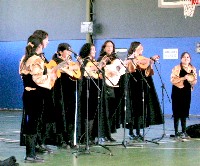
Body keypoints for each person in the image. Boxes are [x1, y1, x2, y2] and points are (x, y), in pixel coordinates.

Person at [19, 34, 57, 162]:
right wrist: (50, 77)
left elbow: (24, 76)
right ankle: (30, 155)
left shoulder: (25, 58)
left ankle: (31, 153)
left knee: (32, 122)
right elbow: (38, 79)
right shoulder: (37, 59)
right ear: (40, 45)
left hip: (28, 94)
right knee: (33, 123)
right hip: (36, 95)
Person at [122, 41, 163, 141]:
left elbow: (147, 72)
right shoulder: (129, 58)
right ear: (134, 48)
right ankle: (131, 132)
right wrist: (134, 59)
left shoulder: (143, 58)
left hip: (141, 85)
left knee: (140, 109)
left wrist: (151, 62)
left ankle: (138, 131)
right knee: (133, 109)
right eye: (140, 48)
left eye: (142, 48)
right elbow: (128, 69)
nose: (142, 49)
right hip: (132, 85)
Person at [51, 43, 81, 148]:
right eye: (67, 50)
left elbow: (76, 73)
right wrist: (65, 66)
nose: (69, 52)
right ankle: (60, 140)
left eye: (70, 51)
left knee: (71, 115)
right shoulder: (54, 62)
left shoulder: (72, 63)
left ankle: (70, 139)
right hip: (60, 92)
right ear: (60, 52)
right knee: (61, 115)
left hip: (70, 92)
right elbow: (54, 71)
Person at [97, 40, 122, 143]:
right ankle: (102, 134)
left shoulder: (116, 59)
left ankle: (109, 133)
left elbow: (120, 70)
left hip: (113, 85)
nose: (109, 48)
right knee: (104, 111)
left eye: (111, 47)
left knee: (111, 111)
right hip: (103, 85)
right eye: (107, 46)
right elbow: (98, 71)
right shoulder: (100, 59)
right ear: (104, 48)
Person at [77, 43, 100, 145]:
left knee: (92, 113)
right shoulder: (86, 61)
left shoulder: (93, 61)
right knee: (88, 113)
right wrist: (101, 64)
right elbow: (90, 70)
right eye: (93, 49)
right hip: (88, 88)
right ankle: (86, 136)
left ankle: (90, 136)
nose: (95, 51)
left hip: (94, 89)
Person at [170, 52, 197, 139]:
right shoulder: (176, 68)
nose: (186, 59)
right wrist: (183, 78)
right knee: (177, 111)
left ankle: (184, 131)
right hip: (177, 91)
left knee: (185, 111)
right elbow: (173, 80)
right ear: (181, 59)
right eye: (184, 57)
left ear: (190, 59)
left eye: (188, 57)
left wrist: (191, 80)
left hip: (187, 92)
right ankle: (176, 132)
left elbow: (194, 81)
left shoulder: (192, 69)